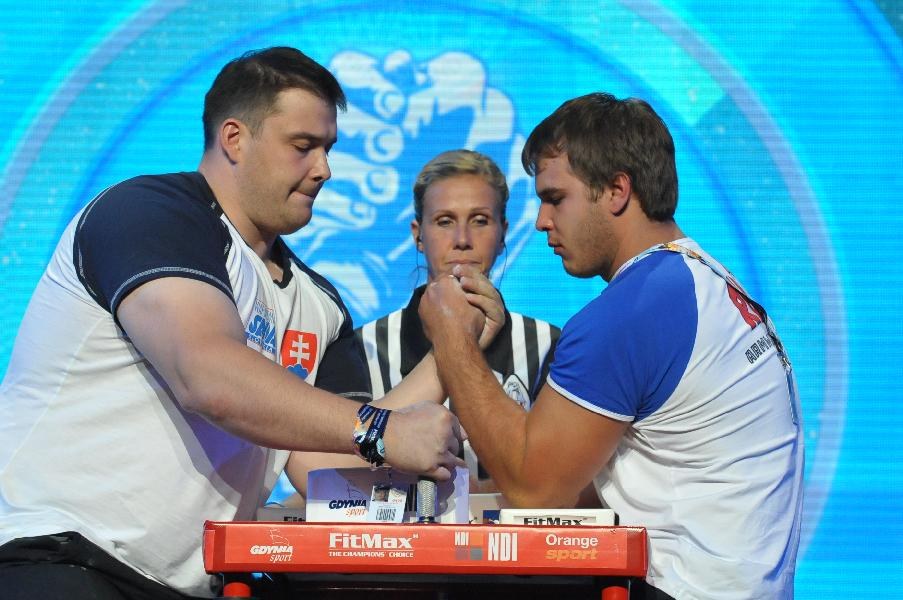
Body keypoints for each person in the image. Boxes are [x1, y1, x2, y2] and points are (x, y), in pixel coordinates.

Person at [0, 47, 470, 600]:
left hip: (197, 585)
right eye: (303, 147)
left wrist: (453, 353)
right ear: (234, 139)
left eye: (328, 149)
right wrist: (382, 430)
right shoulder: (148, 212)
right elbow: (208, 375)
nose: (324, 169)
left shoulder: (320, 302)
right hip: (62, 558)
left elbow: (318, 459)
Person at [419, 93, 804, 599]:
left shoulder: (635, 309)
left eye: (556, 198)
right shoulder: (701, 280)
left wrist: (451, 338)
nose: (541, 221)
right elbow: (584, 484)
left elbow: (536, 493)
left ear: (617, 191)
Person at [288, 149, 560, 497]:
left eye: (480, 220)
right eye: (444, 221)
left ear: (504, 231)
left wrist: (468, 495)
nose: (462, 239)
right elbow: (324, 468)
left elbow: (563, 481)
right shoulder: (362, 347)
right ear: (418, 234)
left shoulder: (547, 345)